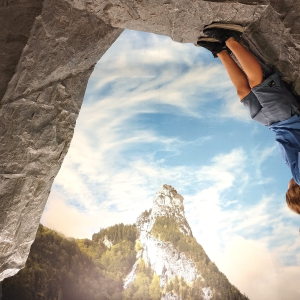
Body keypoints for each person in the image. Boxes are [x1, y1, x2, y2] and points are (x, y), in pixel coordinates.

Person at [197, 23, 300, 214]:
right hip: (288, 118)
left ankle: (221, 52)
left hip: (274, 124)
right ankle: (230, 39)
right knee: (257, 84)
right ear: (295, 192)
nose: (287, 187)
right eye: (288, 191)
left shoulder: (295, 173)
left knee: (243, 93)